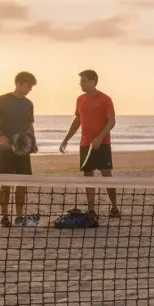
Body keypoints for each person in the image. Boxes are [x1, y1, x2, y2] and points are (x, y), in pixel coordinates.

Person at [59, 69, 120, 219]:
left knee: (107, 175)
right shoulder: (80, 99)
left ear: (93, 82)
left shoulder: (105, 99)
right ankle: (91, 209)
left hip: (102, 144)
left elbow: (111, 121)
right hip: (85, 144)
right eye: (81, 81)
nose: (81, 83)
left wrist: (99, 138)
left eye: (84, 81)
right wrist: (66, 139)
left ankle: (114, 207)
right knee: (88, 176)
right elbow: (78, 120)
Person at [0, 71, 37, 227]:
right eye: (28, 86)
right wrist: (0, 136)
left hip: (23, 150)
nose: (30, 89)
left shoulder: (29, 104)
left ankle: (19, 217)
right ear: (19, 84)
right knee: (5, 182)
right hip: (5, 150)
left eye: (31, 87)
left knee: (22, 183)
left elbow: (29, 125)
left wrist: (33, 142)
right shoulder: (2, 100)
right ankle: (4, 216)